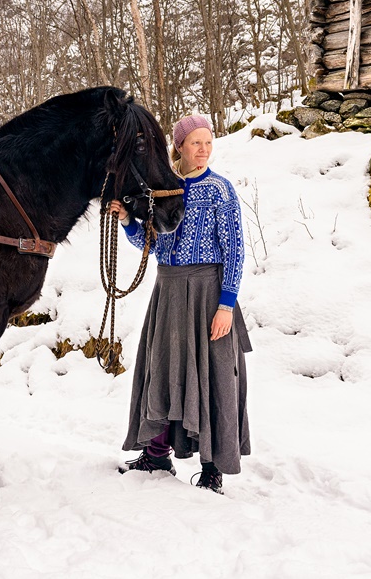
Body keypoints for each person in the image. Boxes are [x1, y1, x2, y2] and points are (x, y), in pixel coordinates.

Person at [110, 114, 251, 494]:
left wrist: (226, 304)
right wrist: (127, 222)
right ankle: (156, 454)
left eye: (208, 143)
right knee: (163, 370)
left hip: (209, 294)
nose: (203, 151)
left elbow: (236, 251)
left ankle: (211, 468)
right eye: (195, 144)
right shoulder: (163, 190)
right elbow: (151, 245)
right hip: (168, 292)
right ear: (179, 148)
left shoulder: (221, 191)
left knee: (212, 376)